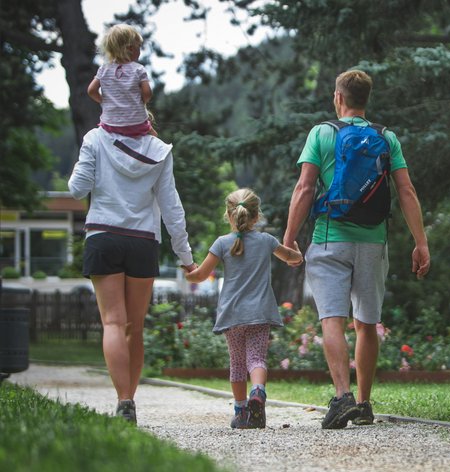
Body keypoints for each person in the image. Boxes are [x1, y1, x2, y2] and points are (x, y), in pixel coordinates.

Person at [284, 69, 431, 429]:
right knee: (366, 323)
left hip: (330, 238)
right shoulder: (387, 137)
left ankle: (342, 397)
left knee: (332, 319)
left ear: (338, 98)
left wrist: (288, 238)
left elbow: (305, 188)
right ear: (366, 99)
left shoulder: (322, 133)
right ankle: (364, 404)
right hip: (373, 241)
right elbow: (406, 191)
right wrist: (421, 242)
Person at [68, 123, 196, 423]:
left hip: (103, 235)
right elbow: (171, 207)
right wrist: (186, 257)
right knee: (134, 327)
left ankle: (123, 400)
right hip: (142, 240)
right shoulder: (159, 150)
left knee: (112, 323)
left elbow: (77, 189)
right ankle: (130, 400)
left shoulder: (95, 138)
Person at [185, 188, 303, 429]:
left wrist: (189, 271)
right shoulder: (267, 241)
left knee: (237, 363)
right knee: (257, 359)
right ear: (256, 216)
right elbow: (292, 258)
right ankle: (258, 391)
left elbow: (200, 275)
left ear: (228, 215)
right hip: (259, 313)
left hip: (232, 315)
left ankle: (241, 412)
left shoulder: (221, 243)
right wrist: (298, 254)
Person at [87, 24, 157, 137]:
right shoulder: (138, 69)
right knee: (154, 137)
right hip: (136, 124)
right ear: (130, 48)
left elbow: (91, 90)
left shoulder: (104, 69)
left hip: (110, 124)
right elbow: (147, 93)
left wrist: (103, 101)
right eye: (139, 46)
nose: (140, 50)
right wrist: (141, 102)